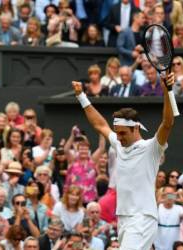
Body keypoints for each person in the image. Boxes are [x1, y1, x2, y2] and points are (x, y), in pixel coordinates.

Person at [71, 69, 175, 249]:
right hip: (124, 218)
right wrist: (81, 96)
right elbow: (100, 124)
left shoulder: (151, 147)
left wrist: (167, 91)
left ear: (135, 128)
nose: (118, 137)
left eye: (122, 133)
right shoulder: (119, 144)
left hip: (143, 218)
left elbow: (167, 123)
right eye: (117, 132)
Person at [154, 185, 183, 250]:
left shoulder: (179, 208)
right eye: (167, 194)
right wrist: (158, 201)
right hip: (158, 245)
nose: (169, 197)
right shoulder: (158, 207)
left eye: (171, 194)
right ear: (163, 195)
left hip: (173, 246)